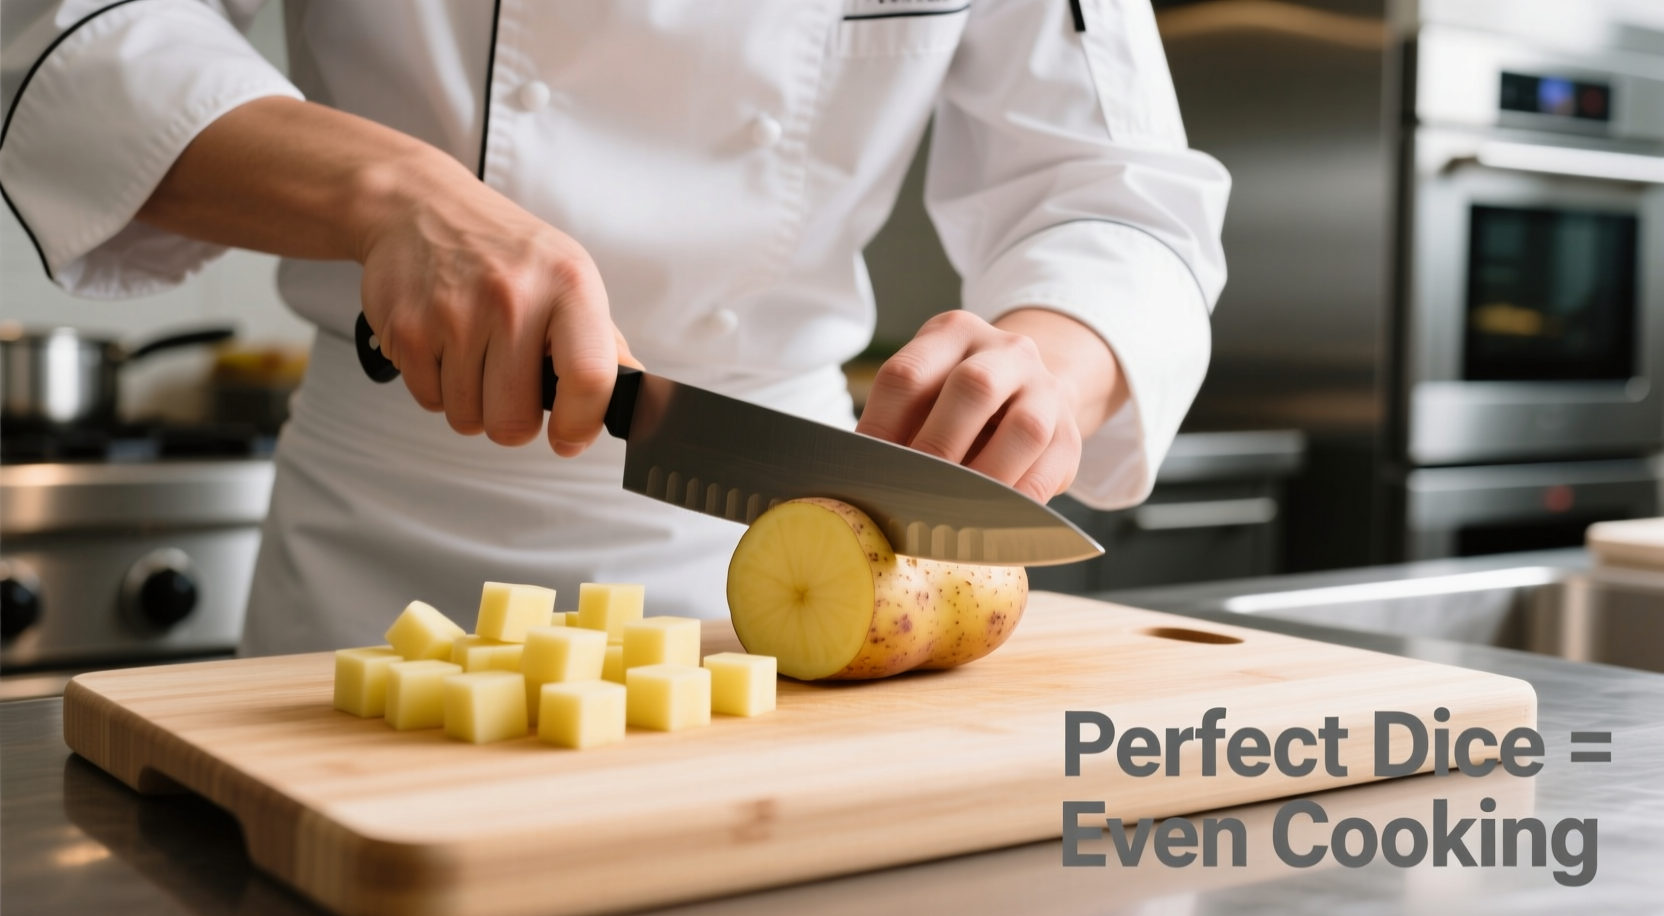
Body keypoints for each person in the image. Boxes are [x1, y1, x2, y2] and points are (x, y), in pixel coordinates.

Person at [0, 0, 1228, 654]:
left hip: (781, 547)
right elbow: (66, 31)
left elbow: (1113, 187)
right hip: (383, 554)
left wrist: (1049, 364)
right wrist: (395, 195)